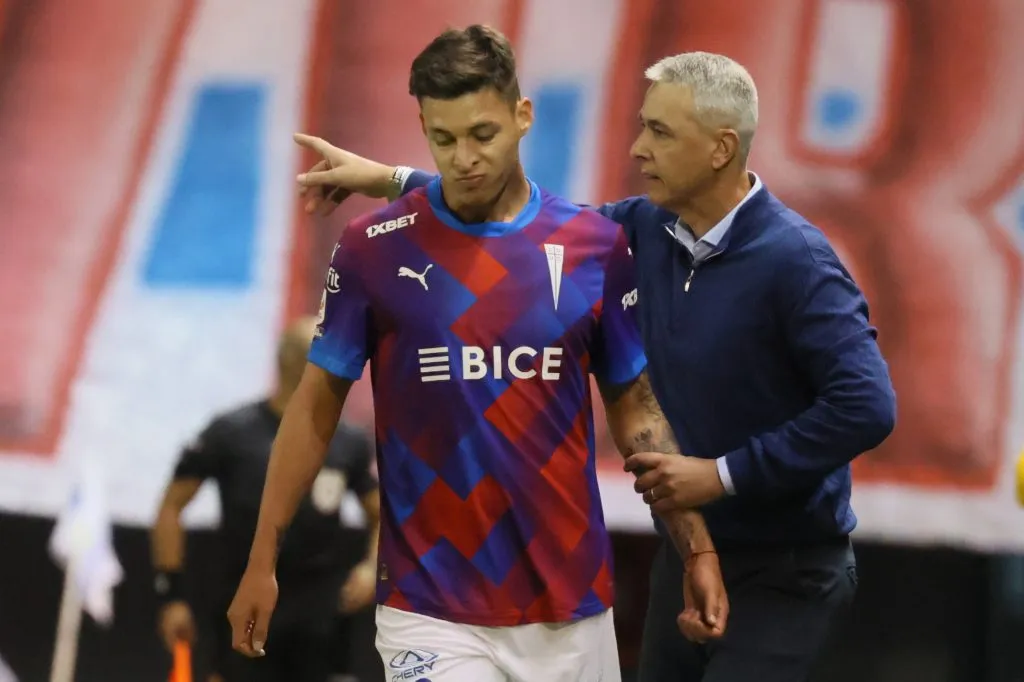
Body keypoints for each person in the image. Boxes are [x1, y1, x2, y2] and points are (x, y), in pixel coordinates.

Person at [293, 49, 897, 682]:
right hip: (689, 552)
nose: (638, 148)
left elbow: (867, 407)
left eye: (660, 132)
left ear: (721, 149)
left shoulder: (796, 261)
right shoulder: (645, 227)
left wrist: (723, 475)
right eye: (643, 125)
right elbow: (524, 224)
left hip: (787, 569)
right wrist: (390, 179)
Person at [227, 25, 728, 682]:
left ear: (523, 116)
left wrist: (696, 549)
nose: (463, 156)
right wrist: (262, 558)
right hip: (429, 608)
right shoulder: (373, 248)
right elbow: (314, 410)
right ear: (424, 127)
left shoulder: (593, 247)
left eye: (482, 135)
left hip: (569, 605)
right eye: (443, 139)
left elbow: (636, 410)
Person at [151, 317, 380, 682]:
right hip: (246, 600)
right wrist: (172, 593)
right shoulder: (231, 433)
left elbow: (381, 514)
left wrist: (372, 568)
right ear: (299, 363)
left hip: (321, 612)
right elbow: (171, 507)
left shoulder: (348, 441)